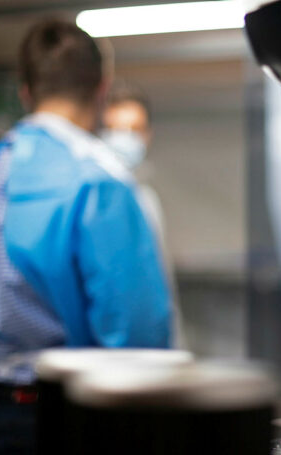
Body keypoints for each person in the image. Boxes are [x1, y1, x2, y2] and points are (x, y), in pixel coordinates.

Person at [0, 20, 172, 454]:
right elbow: (136, 333)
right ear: (101, 91)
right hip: (71, 413)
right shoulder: (100, 184)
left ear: (24, 91)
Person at [100, 84, 184, 347]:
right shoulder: (93, 200)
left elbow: (161, 282)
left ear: (148, 135)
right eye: (116, 129)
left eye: (135, 130)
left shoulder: (147, 200)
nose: (126, 139)